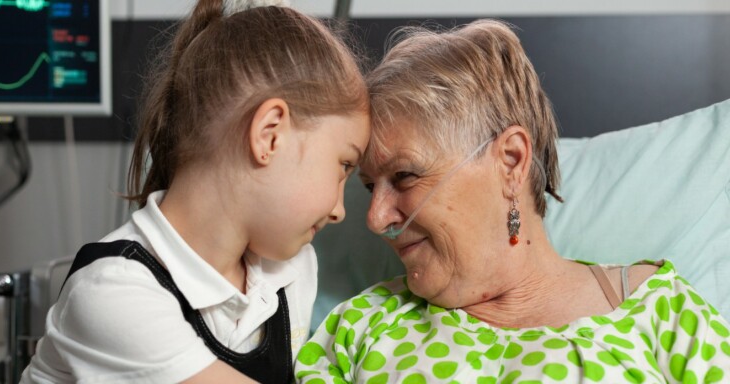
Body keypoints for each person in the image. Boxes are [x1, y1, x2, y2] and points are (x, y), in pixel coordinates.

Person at [295, 19, 730, 383]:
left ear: (511, 161)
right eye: (371, 187)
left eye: (405, 176)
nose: (374, 218)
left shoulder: (661, 313)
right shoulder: (359, 328)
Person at [21, 0, 369, 383]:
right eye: (343, 166)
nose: (339, 210)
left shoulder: (291, 272)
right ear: (270, 136)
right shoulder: (113, 293)